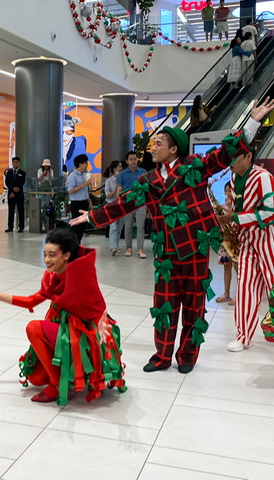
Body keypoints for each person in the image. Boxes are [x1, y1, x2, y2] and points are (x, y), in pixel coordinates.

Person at [70, 97, 274, 374]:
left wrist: (252, 121)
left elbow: (224, 154)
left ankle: (187, 356)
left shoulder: (194, 167)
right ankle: (162, 356)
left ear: (173, 149)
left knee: (194, 305)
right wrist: (91, 216)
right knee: (164, 305)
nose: (153, 148)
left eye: (158, 144)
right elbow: (125, 202)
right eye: (153, 144)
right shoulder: (148, 180)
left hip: (195, 247)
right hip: (166, 252)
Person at [0, 228, 125, 405]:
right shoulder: (52, 277)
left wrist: (100, 324)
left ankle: (57, 384)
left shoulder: (81, 274)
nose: (46, 260)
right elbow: (31, 301)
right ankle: (59, 377)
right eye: (45, 254)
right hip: (65, 331)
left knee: (34, 328)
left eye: (52, 255)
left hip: (83, 335)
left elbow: (96, 307)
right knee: (36, 378)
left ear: (66, 255)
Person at [217, 142, 274, 352]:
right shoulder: (233, 179)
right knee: (245, 287)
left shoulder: (263, 177)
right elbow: (239, 209)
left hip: (268, 238)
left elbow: (271, 212)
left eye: (234, 158)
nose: (229, 162)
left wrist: (236, 217)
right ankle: (243, 335)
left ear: (248, 156)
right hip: (247, 239)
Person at [118, 151, 147, 258]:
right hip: (127, 203)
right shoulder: (122, 174)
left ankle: (140, 249)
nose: (133, 161)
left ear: (137, 159)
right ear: (127, 161)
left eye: (135, 159)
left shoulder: (143, 172)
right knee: (128, 226)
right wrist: (119, 203)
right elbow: (120, 189)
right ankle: (128, 248)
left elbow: (146, 188)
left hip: (140, 202)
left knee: (141, 226)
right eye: (130, 159)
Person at [215, 182, 238, 306]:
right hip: (225, 239)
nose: (227, 193)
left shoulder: (237, 206)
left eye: (230, 190)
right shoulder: (222, 205)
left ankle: (239, 295)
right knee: (226, 266)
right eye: (226, 190)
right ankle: (226, 293)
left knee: (237, 268)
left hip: (236, 239)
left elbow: (233, 215)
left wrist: (225, 209)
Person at [66, 154, 91, 243]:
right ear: (80, 164)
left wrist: (89, 201)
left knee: (83, 224)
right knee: (76, 225)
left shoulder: (84, 175)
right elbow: (70, 190)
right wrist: (84, 184)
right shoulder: (72, 176)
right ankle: (74, 243)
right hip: (76, 203)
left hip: (84, 202)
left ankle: (78, 242)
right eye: (85, 163)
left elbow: (85, 191)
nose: (86, 165)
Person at [104, 160, 124, 255]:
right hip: (111, 205)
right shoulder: (109, 181)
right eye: (119, 167)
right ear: (115, 169)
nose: (121, 169)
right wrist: (116, 189)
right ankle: (113, 247)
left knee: (119, 227)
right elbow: (108, 195)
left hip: (121, 206)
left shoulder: (123, 179)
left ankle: (116, 245)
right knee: (113, 227)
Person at [4, 156, 26, 233]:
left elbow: (21, 183)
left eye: (17, 162)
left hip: (19, 194)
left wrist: (16, 189)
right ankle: (10, 227)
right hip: (11, 194)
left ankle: (21, 227)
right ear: (12, 163)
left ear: (19, 163)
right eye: (14, 162)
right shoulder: (9, 173)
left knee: (20, 211)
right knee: (11, 211)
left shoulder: (22, 173)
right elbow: (7, 183)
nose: (15, 164)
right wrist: (12, 189)